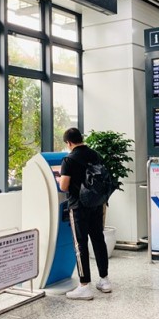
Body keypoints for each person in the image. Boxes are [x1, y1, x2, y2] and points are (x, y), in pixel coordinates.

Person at [59, 127, 112, 300]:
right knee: (98, 240)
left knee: (80, 245)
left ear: (69, 142)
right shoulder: (95, 154)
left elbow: (64, 186)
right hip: (96, 204)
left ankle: (84, 286)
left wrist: (61, 178)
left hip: (78, 206)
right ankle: (104, 280)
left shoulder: (69, 159)